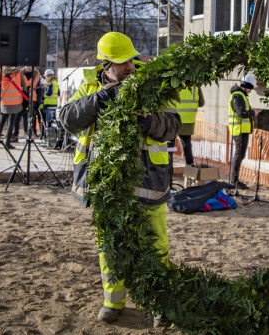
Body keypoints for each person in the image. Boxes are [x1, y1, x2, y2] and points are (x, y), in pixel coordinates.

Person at [59, 32, 181, 325]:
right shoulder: (90, 86)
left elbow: (173, 124)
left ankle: (156, 303)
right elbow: (67, 118)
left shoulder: (151, 85)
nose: (130, 66)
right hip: (106, 188)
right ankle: (113, 302)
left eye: (131, 60)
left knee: (154, 245)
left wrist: (148, 122)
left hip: (148, 182)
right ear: (106, 65)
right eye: (122, 63)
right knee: (110, 244)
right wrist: (99, 100)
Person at [228, 73, 261, 189]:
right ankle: (234, 181)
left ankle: (235, 180)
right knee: (238, 155)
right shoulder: (238, 96)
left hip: (242, 131)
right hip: (239, 131)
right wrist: (254, 113)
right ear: (246, 86)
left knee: (240, 155)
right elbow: (241, 113)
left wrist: (252, 111)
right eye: (251, 88)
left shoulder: (241, 96)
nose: (251, 91)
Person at [173, 86, 205, 166]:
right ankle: (190, 170)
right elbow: (201, 102)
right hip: (188, 120)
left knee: (169, 146)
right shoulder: (195, 85)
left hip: (174, 118)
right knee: (187, 147)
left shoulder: (174, 82)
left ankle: (168, 173)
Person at [0, 66, 24, 149]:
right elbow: (24, 86)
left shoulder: (1, 73)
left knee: (2, 120)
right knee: (11, 123)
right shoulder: (18, 73)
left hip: (4, 101)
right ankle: (7, 142)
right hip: (15, 101)